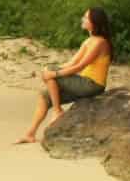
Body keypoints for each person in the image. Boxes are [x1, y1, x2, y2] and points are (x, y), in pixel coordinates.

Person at [15, 8, 112, 143]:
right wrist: (49, 70)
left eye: (85, 18)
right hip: (83, 84)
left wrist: (54, 73)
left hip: (92, 85)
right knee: (45, 95)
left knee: (51, 73)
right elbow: (72, 62)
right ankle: (30, 134)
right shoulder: (89, 41)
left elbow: (80, 67)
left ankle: (57, 110)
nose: (82, 19)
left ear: (94, 22)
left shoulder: (100, 43)